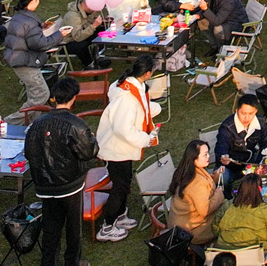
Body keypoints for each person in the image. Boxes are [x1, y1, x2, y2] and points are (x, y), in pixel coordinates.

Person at [93, 55, 161, 241]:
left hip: (122, 148)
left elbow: (141, 108)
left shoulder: (126, 86)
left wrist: (152, 110)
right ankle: (107, 226)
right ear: (147, 74)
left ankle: (120, 215)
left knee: (124, 183)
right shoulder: (128, 98)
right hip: (116, 149)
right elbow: (123, 129)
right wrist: (145, 139)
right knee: (120, 187)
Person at [4, 0, 63, 108]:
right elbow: (40, 44)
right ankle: (17, 118)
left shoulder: (19, 16)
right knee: (41, 95)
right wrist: (60, 34)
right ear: (33, 1)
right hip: (25, 62)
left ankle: (33, 119)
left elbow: (25, 34)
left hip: (18, 58)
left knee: (35, 95)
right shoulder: (30, 21)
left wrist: (39, 27)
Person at [168, 138, 225, 246]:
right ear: (194, 158)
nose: (208, 157)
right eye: (205, 154)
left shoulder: (185, 171)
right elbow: (205, 210)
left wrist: (215, 178)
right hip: (192, 231)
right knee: (229, 218)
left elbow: (202, 190)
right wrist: (219, 192)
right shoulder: (197, 183)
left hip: (179, 225)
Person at [213, 172, 267, 253]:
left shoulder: (227, 206)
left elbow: (215, 229)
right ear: (260, 189)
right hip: (256, 252)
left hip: (226, 251)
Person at [215, 92, 267, 184]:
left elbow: (266, 141)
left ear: (256, 112)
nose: (247, 118)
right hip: (231, 166)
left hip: (250, 162)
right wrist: (223, 156)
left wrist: (261, 162)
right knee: (223, 177)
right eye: (243, 113)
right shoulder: (227, 127)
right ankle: (227, 192)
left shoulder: (260, 122)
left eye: (251, 113)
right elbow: (222, 144)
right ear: (237, 111)